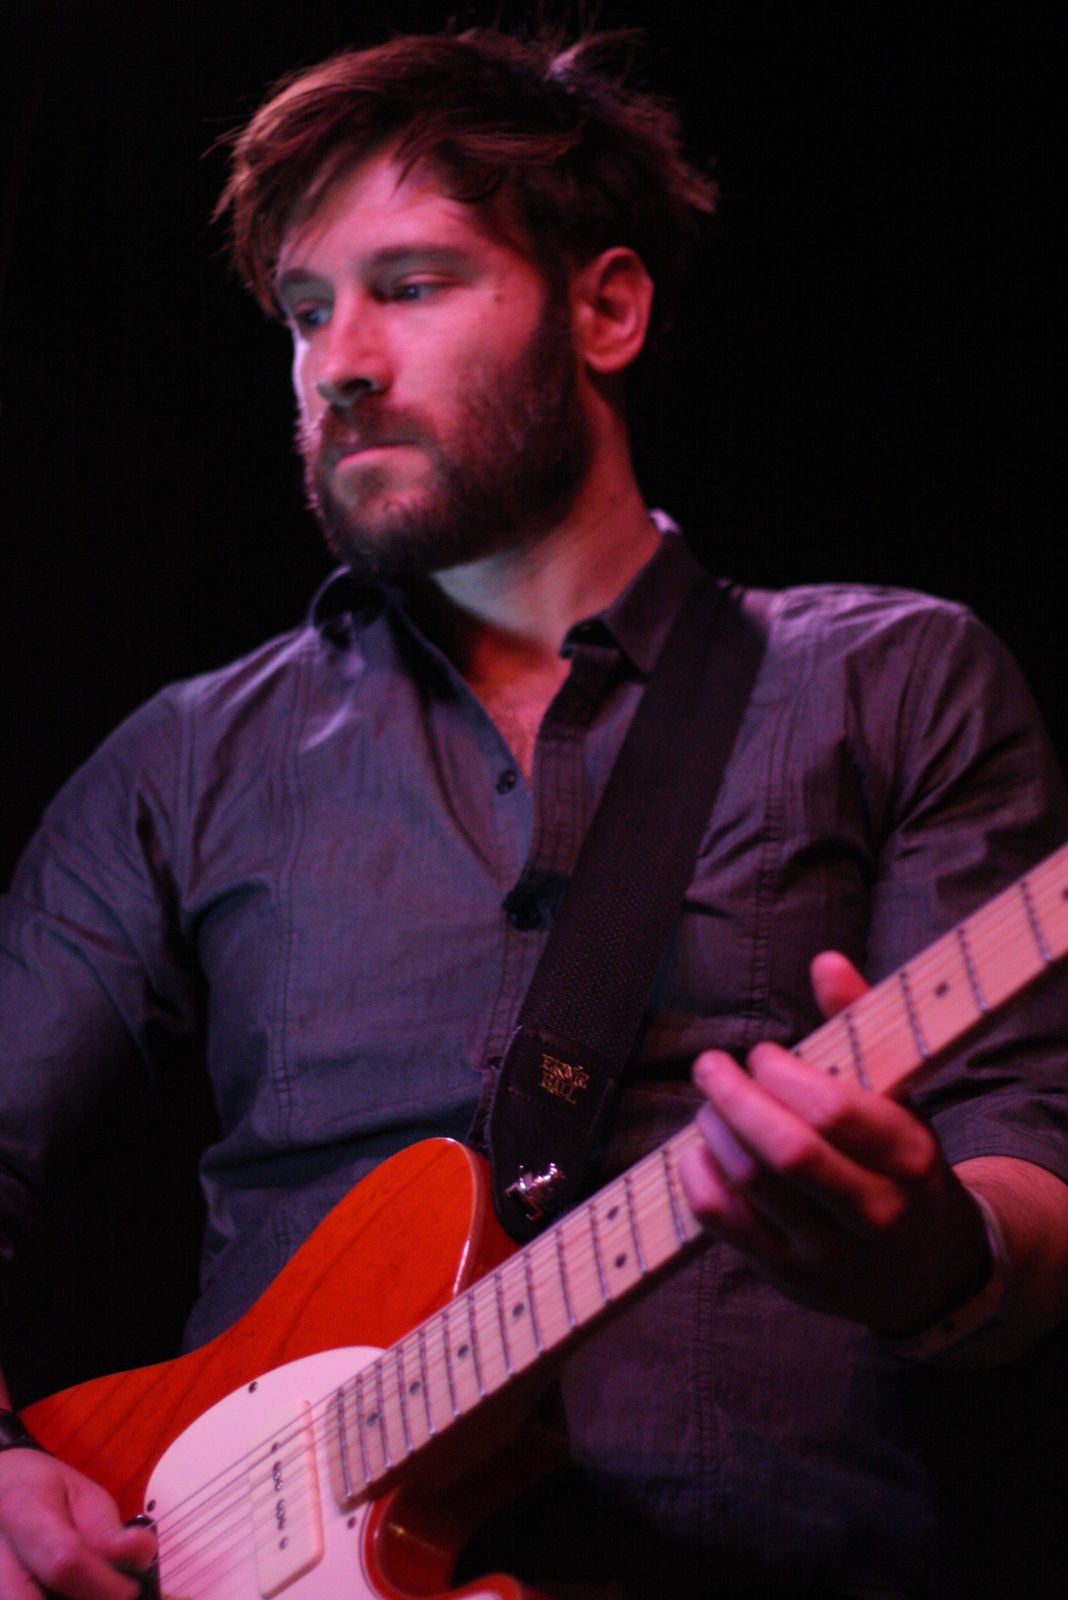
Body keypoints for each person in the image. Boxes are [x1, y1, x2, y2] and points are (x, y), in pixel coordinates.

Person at [1, 24, 1067, 1600]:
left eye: (411, 285)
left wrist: (925, 1251)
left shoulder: (894, 680)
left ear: (606, 308)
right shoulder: (186, 760)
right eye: (307, 311)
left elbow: (1028, 1173)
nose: (339, 362)